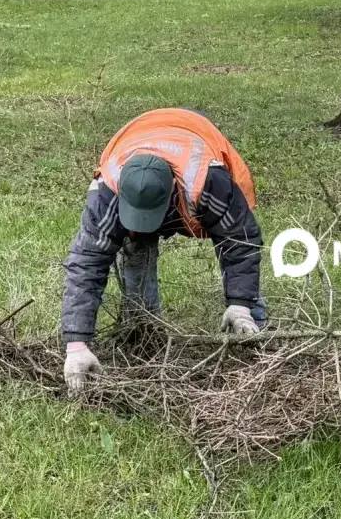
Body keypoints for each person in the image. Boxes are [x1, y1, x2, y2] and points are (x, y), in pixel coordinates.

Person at [60, 108, 266, 392]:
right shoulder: (108, 193)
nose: (145, 225)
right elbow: (86, 263)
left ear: (172, 188)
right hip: (140, 138)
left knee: (243, 283)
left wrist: (241, 303)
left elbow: (239, 241)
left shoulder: (209, 181)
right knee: (136, 247)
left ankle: (255, 341)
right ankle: (142, 333)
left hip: (196, 141)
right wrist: (76, 344)